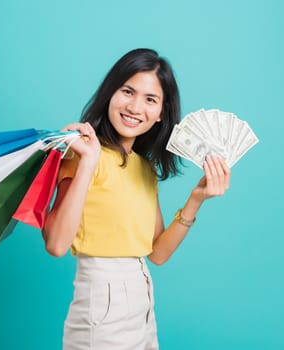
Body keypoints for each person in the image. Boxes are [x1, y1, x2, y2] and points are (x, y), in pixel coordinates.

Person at [42, 48, 231, 350]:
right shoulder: (82, 156)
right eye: (127, 91)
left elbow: (156, 254)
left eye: (150, 99)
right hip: (101, 306)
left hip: (142, 303)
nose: (134, 107)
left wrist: (196, 199)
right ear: (110, 94)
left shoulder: (144, 168)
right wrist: (88, 163)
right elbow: (56, 244)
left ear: (160, 114)